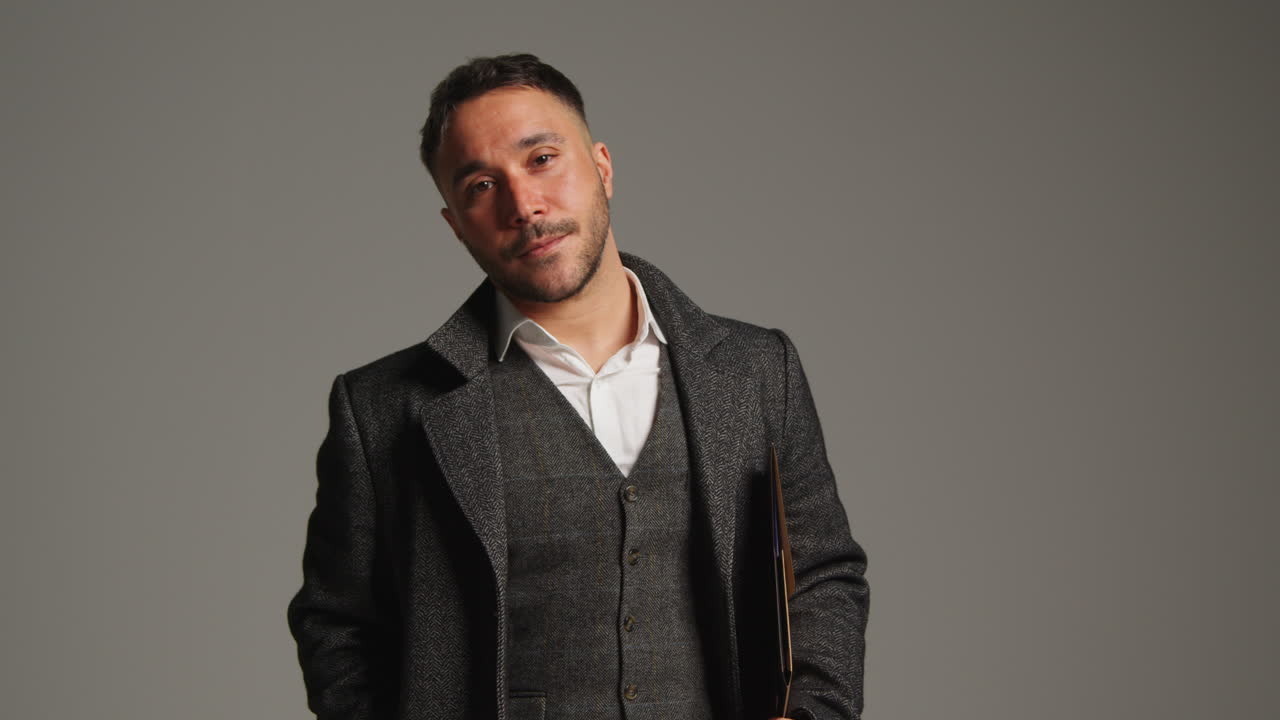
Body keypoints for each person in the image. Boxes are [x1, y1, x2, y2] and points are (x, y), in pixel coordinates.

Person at [287, 53, 868, 720]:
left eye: (541, 159)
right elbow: (338, 627)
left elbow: (823, 574)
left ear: (602, 166)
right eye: (480, 185)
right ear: (454, 222)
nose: (524, 205)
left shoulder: (759, 371)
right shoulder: (384, 410)